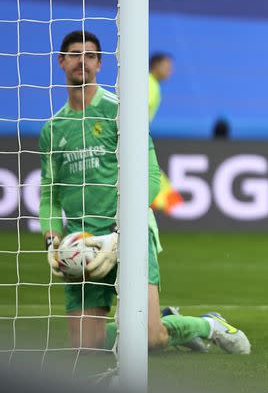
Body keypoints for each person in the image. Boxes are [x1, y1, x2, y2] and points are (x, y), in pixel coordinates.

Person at [39, 31, 250, 355]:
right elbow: (49, 195)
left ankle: (208, 325)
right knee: (85, 345)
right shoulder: (52, 129)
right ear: (61, 61)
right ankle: (164, 320)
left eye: (91, 55)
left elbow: (150, 175)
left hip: (128, 234)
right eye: (75, 54)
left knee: (151, 340)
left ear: (100, 64)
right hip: (81, 243)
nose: (83, 60)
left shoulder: (120, 112)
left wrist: (123, 229)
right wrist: (52, 241)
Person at [147, 52, 184, 215]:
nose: (170, 71)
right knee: (153, 183)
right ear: (156, 66)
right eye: (167, 67)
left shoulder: (150, 83)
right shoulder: (149, 84)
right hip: (134, 141)